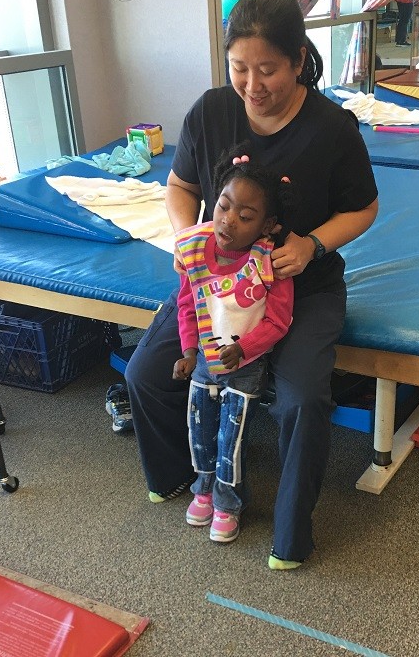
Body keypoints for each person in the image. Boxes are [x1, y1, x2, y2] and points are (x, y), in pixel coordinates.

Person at [124, 0, 379, 570]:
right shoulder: (211, 111)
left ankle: (290, 535)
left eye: (267, 69)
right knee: (144, 373)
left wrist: (310, 245)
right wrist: (188, 242)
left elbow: (364, 208)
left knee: (300, 401)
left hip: (300, 285)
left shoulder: (332, 128)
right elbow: (181, 187)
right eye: (240, 68)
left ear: (297, 59)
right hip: (217, 285)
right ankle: (181, 480)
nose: (252, 84)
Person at [173, 146, 297, 544]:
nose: (228, 221)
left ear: (267, 226)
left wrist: (245, 349)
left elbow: (279, 321)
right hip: (205, 362)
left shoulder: (269, 263)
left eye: (245, 217)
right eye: (223, 207)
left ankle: (228, 503)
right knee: (199, 429)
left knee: (232, 437)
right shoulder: (193, 250)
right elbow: (187, 304)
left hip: (246, 365)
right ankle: (203, 488)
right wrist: (188, 350)